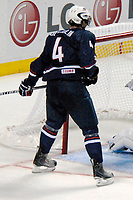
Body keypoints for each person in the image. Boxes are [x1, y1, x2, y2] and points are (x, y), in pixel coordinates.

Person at [18, 5, 114, 186]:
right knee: (90, 127)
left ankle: (41, 159)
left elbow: (40, 63)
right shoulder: (85, 36)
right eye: (85, 18)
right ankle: (99, 172)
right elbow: (87, 65)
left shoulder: (53, 36)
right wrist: (92, 74)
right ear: (80, 20)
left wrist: (28, 82)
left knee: (53, 123)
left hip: (53, 87)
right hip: (72, 88)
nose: (87, 22)